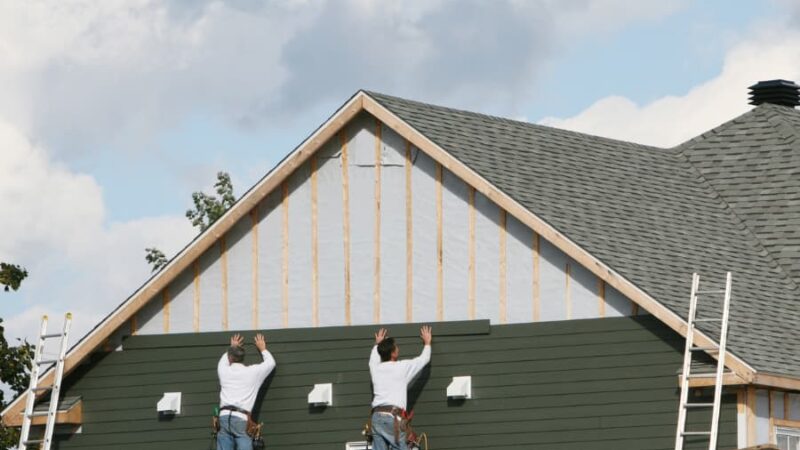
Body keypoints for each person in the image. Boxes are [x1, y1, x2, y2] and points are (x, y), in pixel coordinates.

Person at [369, 326, 432, 450]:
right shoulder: (402, 368)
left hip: (376, 418)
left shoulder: (375, 368)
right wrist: (427, 343)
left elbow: (373, 359)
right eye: (396, 347)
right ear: (393, 353)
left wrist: (378, 344)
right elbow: (423, 359)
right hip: (393, 419)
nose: (398, 348)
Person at [216, 333, 275, 450]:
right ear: (243, 358)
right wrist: (263, 349)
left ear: (230, 357)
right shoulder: (252, 372)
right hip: (241, 419)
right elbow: (271, 363)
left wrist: (233, 346)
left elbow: (224, 359)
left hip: (223, 417)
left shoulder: (223, 370)